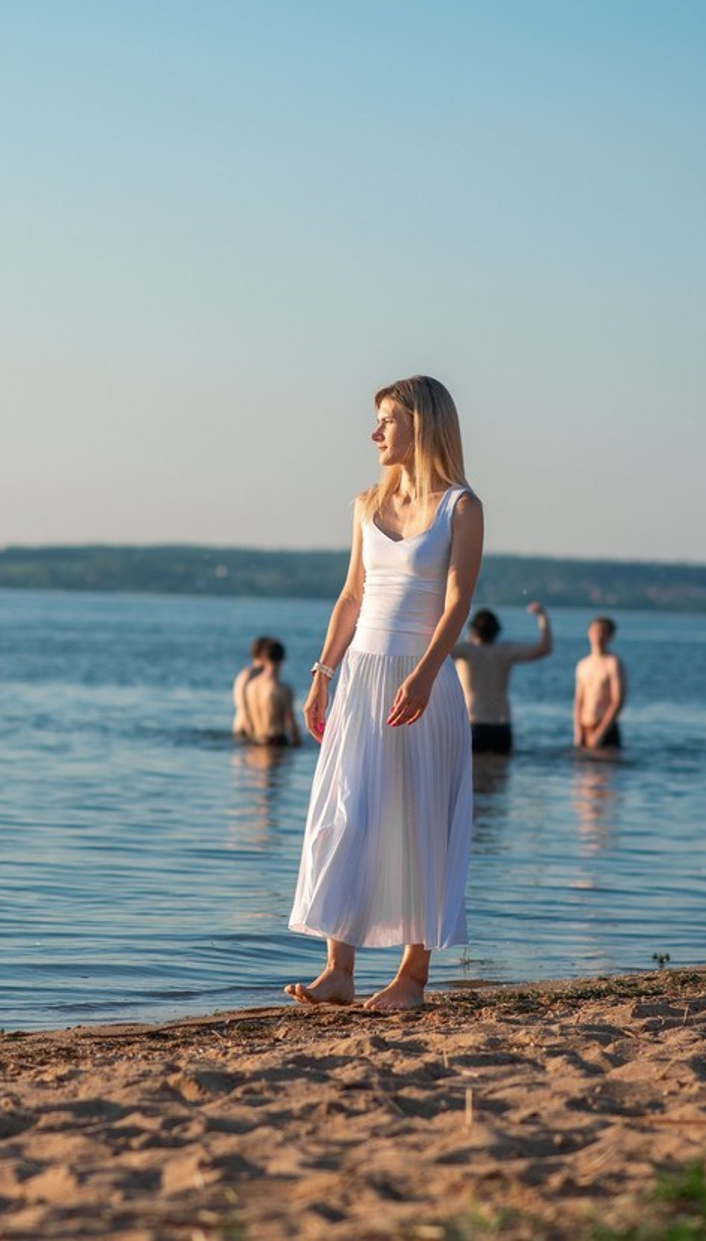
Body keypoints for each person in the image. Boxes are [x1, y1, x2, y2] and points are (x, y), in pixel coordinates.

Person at [285, 375, 484, 1012]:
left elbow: (458, 603)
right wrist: (322, 672)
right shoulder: (366, 503)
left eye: (388, 420)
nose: (375, 434)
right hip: (361, 677)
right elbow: (351, 596)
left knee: (420, 818)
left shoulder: (461, 506)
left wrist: (427, 672)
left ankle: (412, 979)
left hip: (422, 678)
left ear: (420, 426)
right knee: (346, 813)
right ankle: (338, 970)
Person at [451, 602, 552, 754]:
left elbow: (434, 646)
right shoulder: (505, 651)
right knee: (501, 773)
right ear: (497, 630)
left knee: (471, 774)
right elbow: (544, 648)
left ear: (473, 630)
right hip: (501, 723)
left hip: (474, 722)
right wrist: (542, 616)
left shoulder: (466, 651)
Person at [237, 638, 302, 747]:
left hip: (255, 743)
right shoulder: (282, 689)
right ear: (282, 660)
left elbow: (247, 720)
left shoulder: (251, 686)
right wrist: (298, 743)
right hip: (277, 743)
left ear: (264, 658)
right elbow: (291, 723)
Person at [574, 615, 626, 750]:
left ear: (611, 637)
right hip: (585, 726)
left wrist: (601, 732)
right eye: (595, 630)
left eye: (603, 631)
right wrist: (578, 731)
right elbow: (579, 700)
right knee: (582, 769)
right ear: (589, 632)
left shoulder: (613, 663)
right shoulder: (583, 664)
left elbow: (618, 701)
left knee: (606, 768)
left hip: (605, 727)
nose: (598, 635)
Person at [232, 635, 274, 737]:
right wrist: (249, 725)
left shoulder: (258, 673)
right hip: (245, 727)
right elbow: (242, 704)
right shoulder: (249, 675)